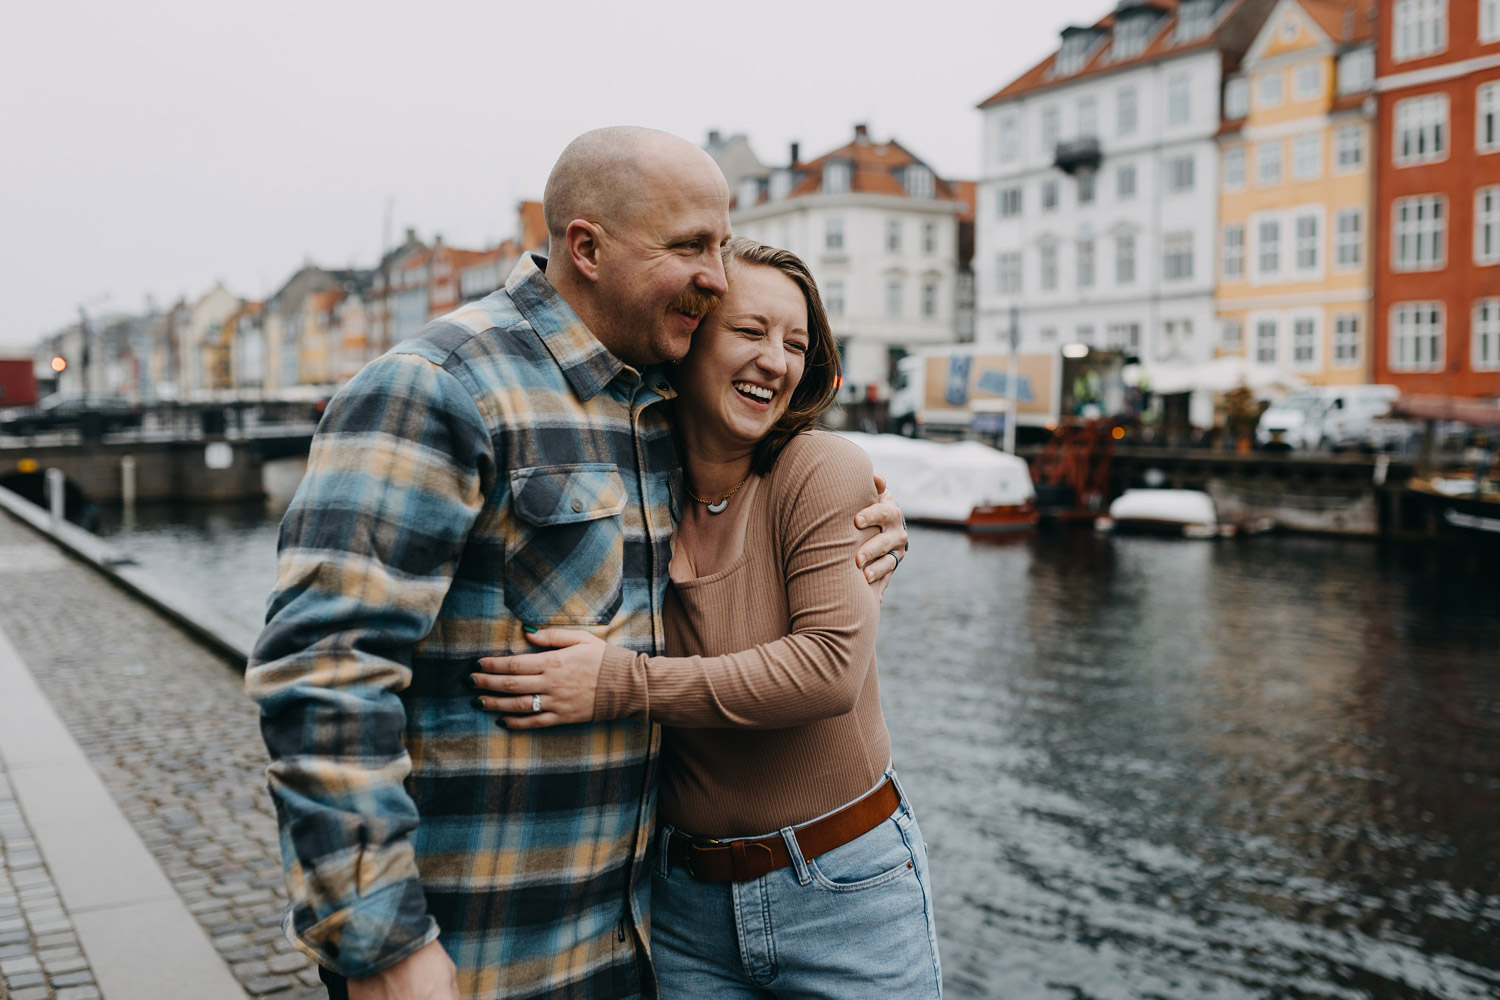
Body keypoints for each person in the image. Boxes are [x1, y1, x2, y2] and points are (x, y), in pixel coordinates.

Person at [244, 127, 907, 1000]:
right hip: (481, 951)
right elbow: (325, 672)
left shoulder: (659, 402)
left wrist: (871, 517)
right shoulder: (443, 386)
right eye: (690, 246)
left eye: (721, 241)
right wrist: (380, 939)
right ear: (586, 248)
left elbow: (767, 494)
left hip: (635, 947)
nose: (716, 274)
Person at [471, 238, 942, 998]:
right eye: (751, 332)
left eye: (796, 344)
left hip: (842, 889)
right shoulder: (634, 481)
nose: (776, 361)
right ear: (689, 340)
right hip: (683, 902)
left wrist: (616, 685)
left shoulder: (821, 469)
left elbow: (826, 673)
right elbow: (553, 315)